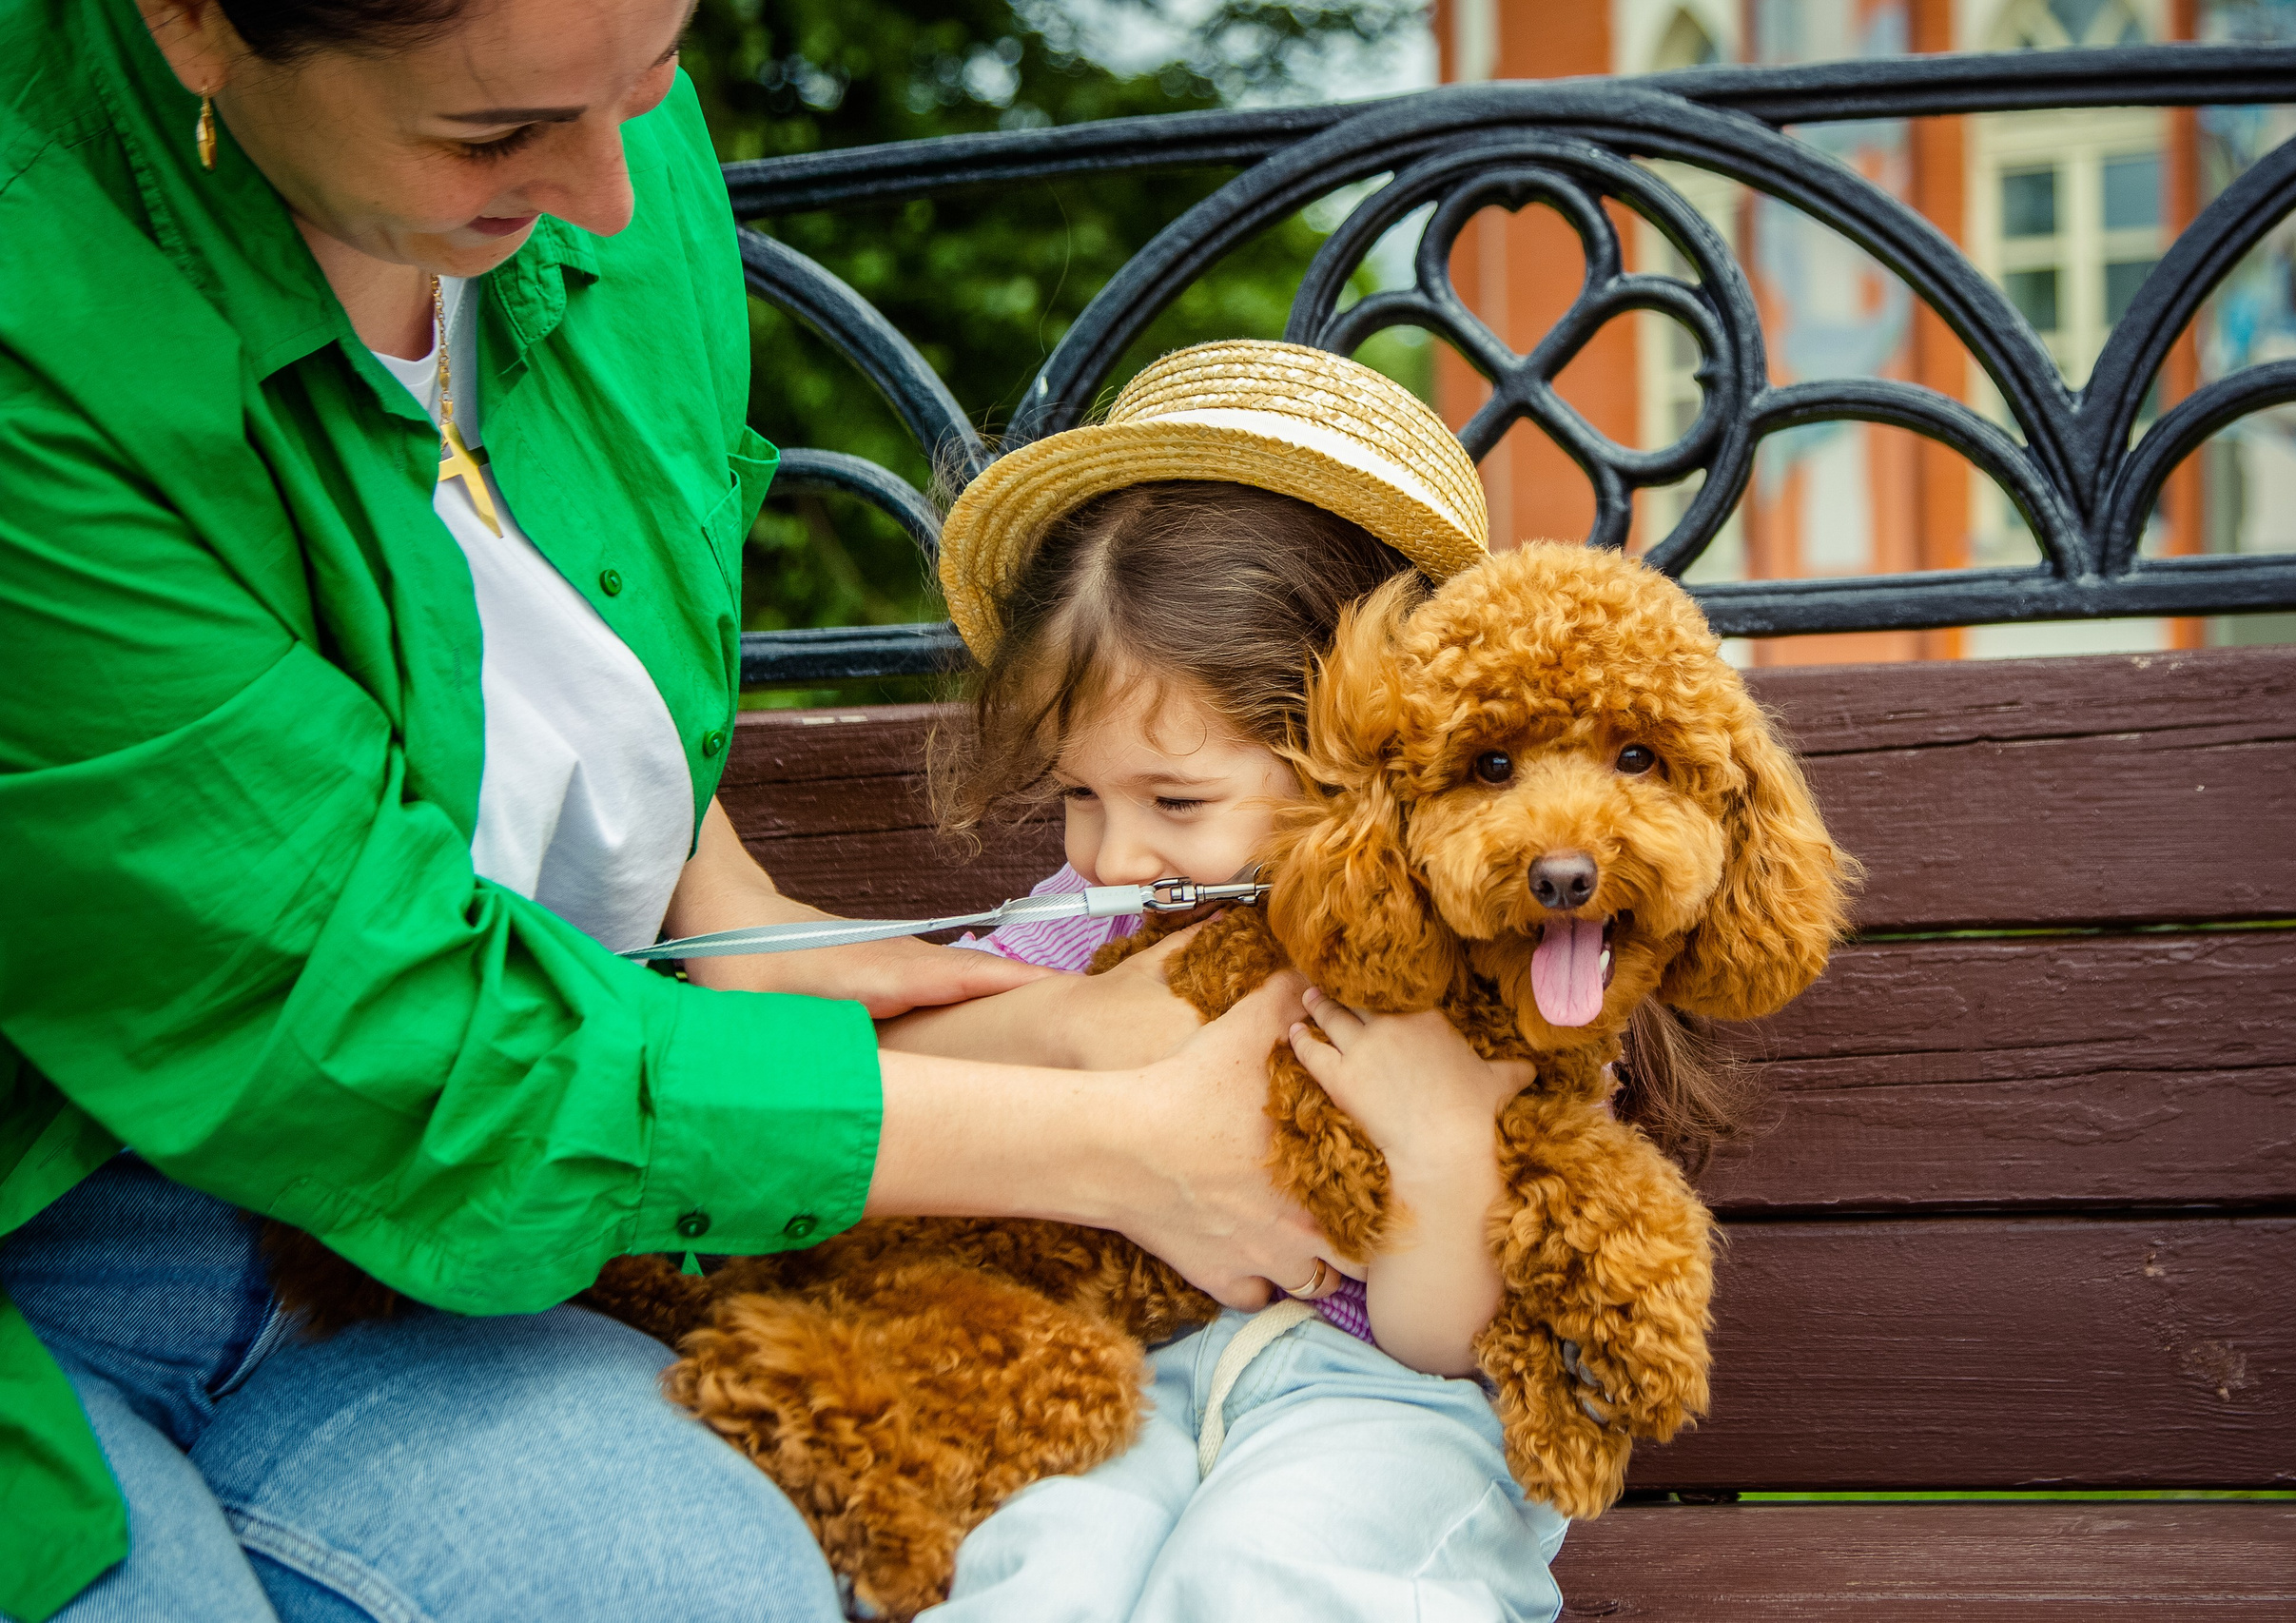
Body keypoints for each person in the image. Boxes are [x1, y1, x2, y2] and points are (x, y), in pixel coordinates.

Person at [0, 5, 1337, 1619]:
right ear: (197, 20)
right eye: (496, 135)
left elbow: (531, 652)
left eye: (649, 77)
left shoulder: (609, 138)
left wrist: (730, 909)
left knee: (708, 1583)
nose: (616, 190)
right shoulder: (35, 298)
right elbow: (368, 1033)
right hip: (66, 1263)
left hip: (413, 1263)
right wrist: (1111, 1138)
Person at [879, 341, 1743, 1621]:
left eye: (1176, 798)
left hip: (1388, 1396)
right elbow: (901, 1064)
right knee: (1040, 1569)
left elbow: (1447, 1342)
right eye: (1077, 794)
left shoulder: (1487, 962)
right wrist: (1073, 1027)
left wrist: (1443, 1148)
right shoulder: (1091, 916)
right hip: (1136, 1371)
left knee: (1274, 1580)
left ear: (1354, 746)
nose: (1113, 854)